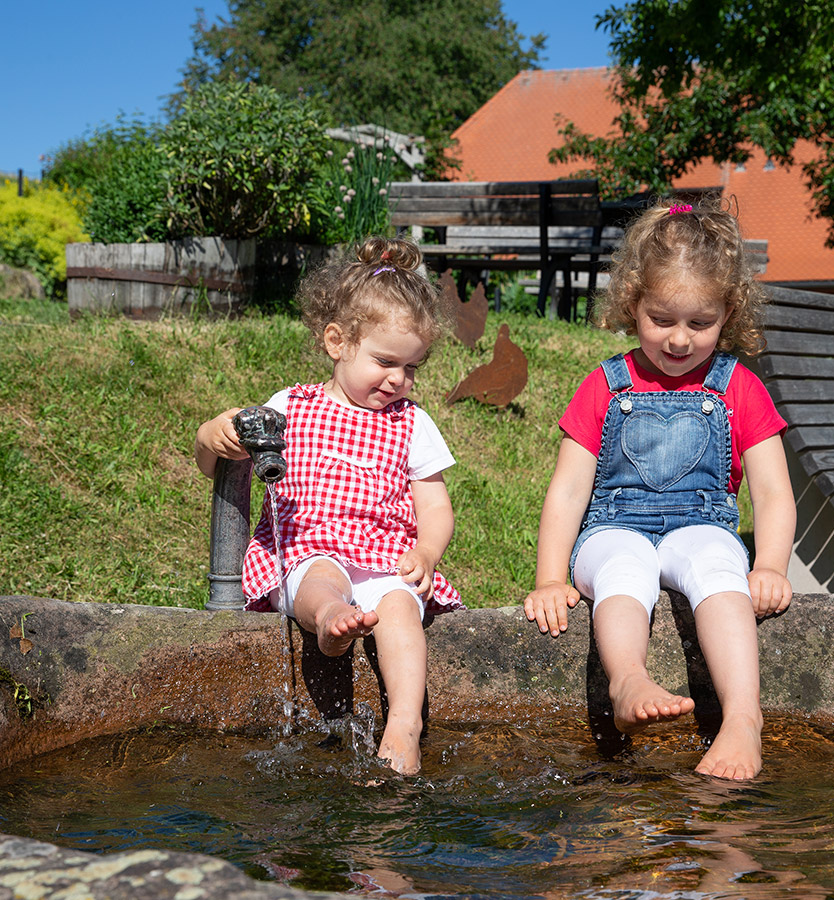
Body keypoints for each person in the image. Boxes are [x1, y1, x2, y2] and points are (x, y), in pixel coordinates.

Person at [524, 198, 795, 781]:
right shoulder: (604, 384)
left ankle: (743, 719)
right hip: (614, 527)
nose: (678, 340)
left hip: (701, 526)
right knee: (624, 568)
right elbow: (569, 491)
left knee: (721, 571)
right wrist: (550, 576)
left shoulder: (738, 386)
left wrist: (770, 563)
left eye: (700, 324)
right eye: (661, 319)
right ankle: (628, 682)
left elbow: (773, 491)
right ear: (632, 304)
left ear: (728, 313)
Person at [195, 236, 463, 775]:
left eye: (412, 368)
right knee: (318, 579)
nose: (399, 380)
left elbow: (434, 504)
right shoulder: (288, 407)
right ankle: (330, 621)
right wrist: (211, 436)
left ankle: (405, 723)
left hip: (384, 554)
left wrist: (427, 552)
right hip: (305, 545)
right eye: (386, 362)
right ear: (337, 342)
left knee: (402, 610)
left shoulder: (412, 422)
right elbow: (215, 466)